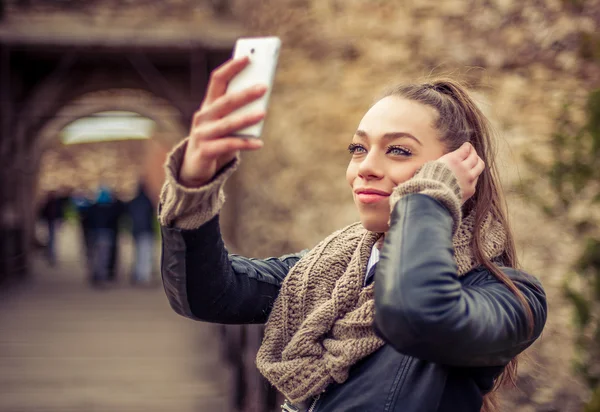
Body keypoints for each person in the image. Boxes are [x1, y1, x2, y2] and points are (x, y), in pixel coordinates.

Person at [157, 57, 547, 412]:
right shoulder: (327, 271)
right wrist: (196, 184)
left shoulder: (511, 297)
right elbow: (208, 294)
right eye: (358, 148)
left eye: (398, 150)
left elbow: (416, 317)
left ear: (463, 170)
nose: (366, 167)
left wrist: (428, 197)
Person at [127, 181, 156, 285]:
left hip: (137, 231)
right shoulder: (148, 202)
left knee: (139, 253)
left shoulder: (133, 202)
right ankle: (144, 276)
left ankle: (139, 274)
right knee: (145, 254)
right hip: (146, 230)